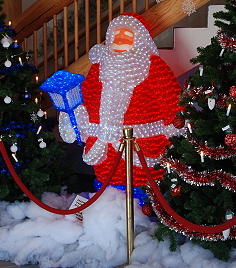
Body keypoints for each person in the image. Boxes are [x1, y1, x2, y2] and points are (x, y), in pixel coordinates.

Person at [60, 12, 183, 189]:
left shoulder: (154, 66)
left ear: (139, 39)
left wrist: (175, 124)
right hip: (104, 145)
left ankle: (146, 205)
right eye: (116, 34)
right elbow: (88, 94)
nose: (120, 38)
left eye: (127, 34)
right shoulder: (99, 67)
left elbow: (171, 98)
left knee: (144, 184)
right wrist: (76, 112)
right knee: (108, 181)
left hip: (142, 145)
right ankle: (109, 204)